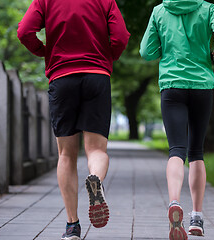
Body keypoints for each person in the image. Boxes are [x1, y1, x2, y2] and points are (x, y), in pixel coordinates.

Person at [18, 0, 130, 239]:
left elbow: (24, 31)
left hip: (62, 77)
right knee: (96, 150)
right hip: (97, 77)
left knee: (66, 154)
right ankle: (96, 181)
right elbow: (120, 36)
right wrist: (108, 57)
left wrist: (44, 51)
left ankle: (72, 226)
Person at [140, 0, 214, 239]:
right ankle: (197, 219)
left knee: (176, 150)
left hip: (172, 85)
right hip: (202, 85)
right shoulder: (208, 9)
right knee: (196, 152)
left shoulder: (160, 11)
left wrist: (167, 49)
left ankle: (174, 202)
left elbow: (146, 51)